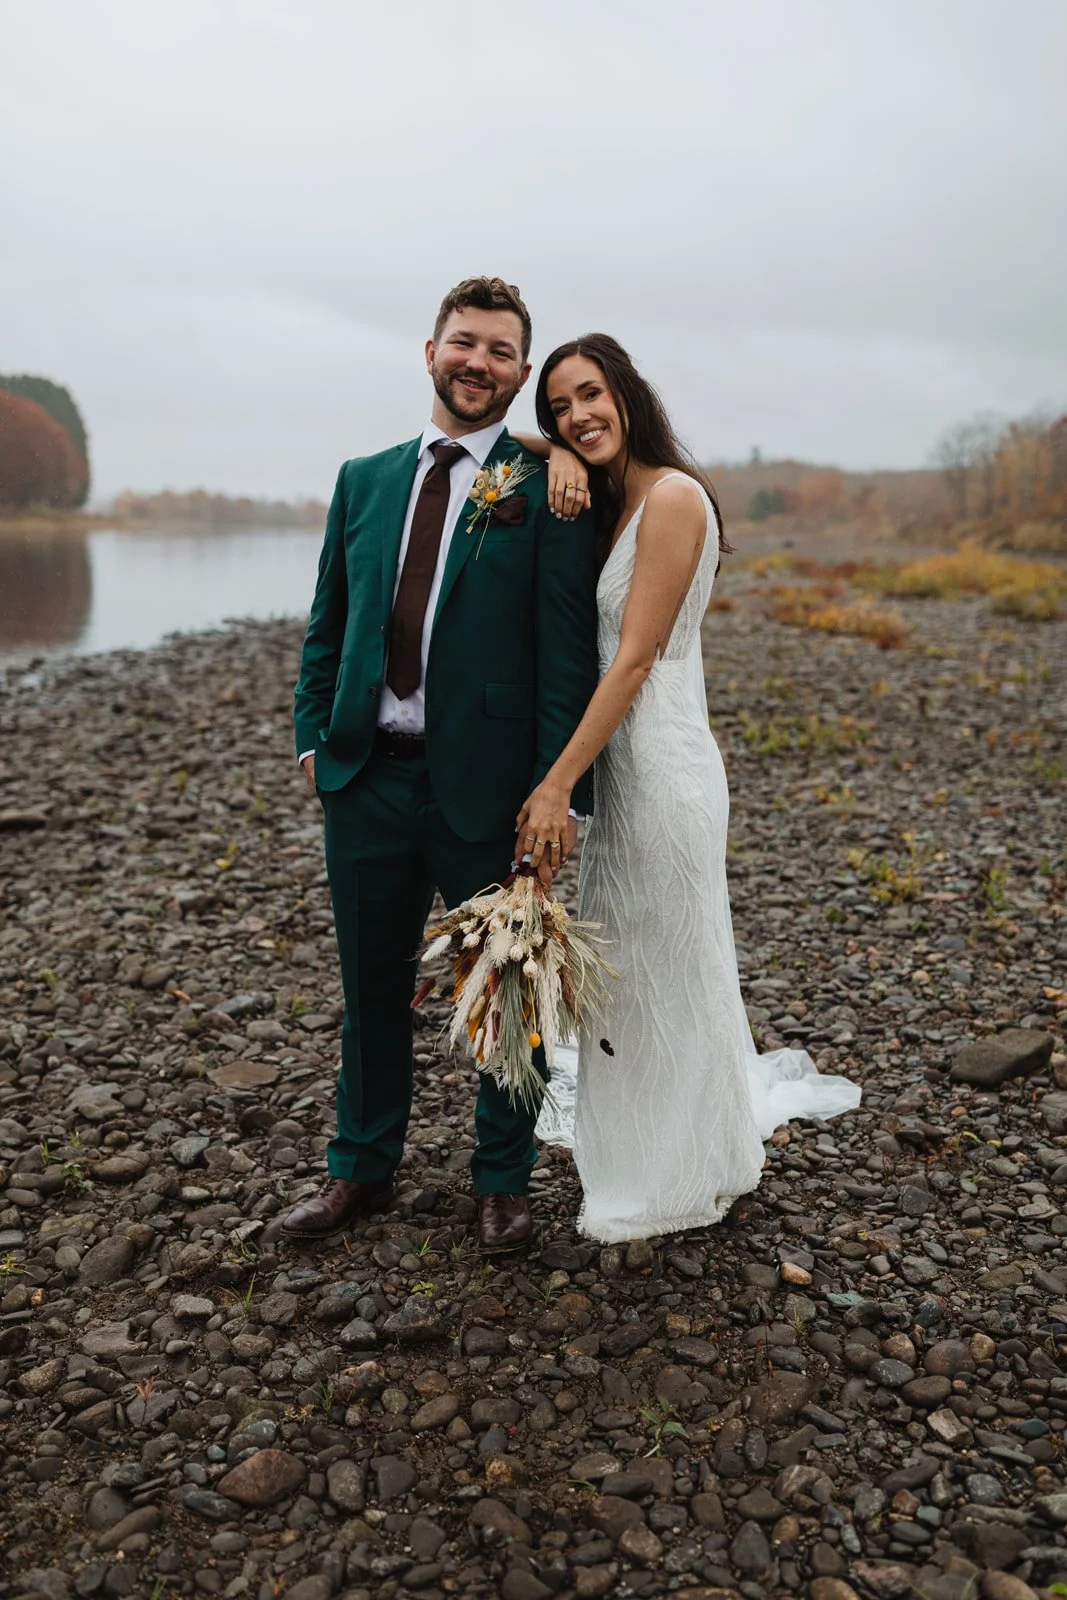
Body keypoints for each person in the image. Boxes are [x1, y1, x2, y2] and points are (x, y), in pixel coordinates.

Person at [518, 334, 861, 1243]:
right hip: (624, 778)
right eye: (558, 407)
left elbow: (631, 661)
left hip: (662, 770)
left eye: (589, 395)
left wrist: (555, 784)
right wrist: (548, 450)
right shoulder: (609, 492)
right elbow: (502, 446)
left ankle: (682, 1169)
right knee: (628, 977)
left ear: (626, 393)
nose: (577, 416)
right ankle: (642, 1149)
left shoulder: (670, 498)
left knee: (669, 970)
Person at [283, 278, 598, 1252]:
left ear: (518, 374)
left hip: (492, 788)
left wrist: (560, 797)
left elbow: (563, 657)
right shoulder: (362, 479)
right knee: (370, 985)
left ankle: (501, 1180)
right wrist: (311, 732)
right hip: (364, 780)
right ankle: (359, 1167)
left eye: (502, 352)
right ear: (430, 352)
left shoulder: (545, 485)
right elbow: (327, 622)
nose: (479, 362)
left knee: (509, 988)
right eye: (465, 343)